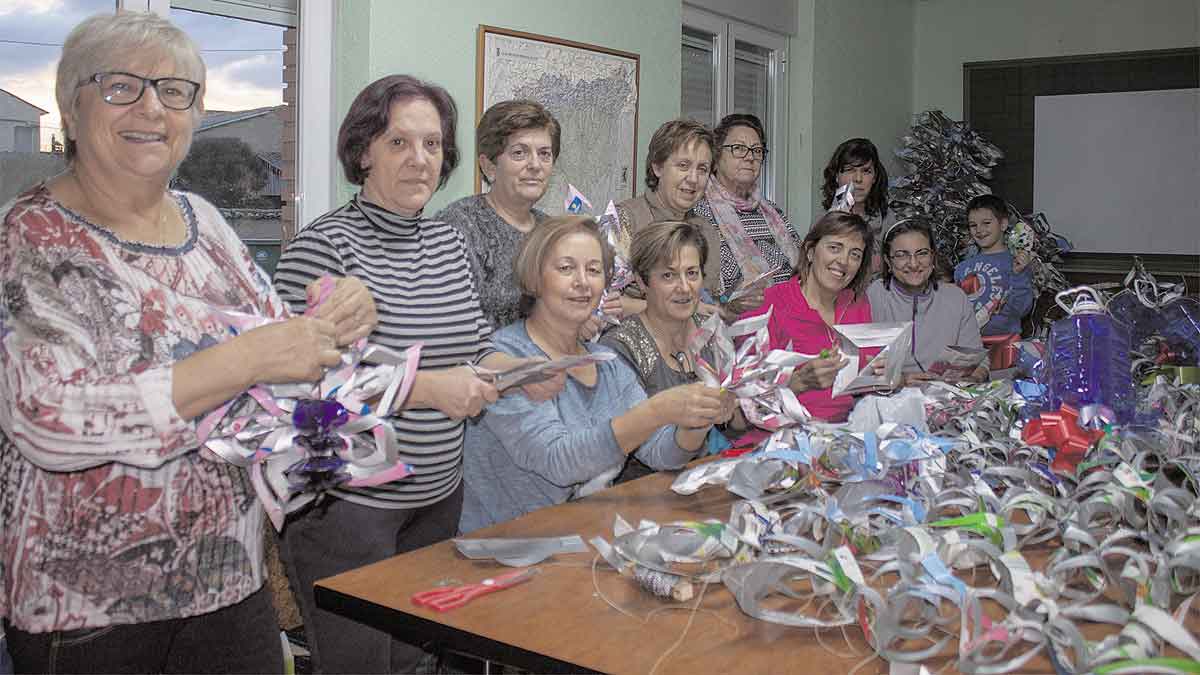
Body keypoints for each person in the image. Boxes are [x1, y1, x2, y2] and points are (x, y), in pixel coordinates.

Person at [0, 12, 377, 674]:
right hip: (88, 613)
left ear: (195, 115)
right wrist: (243, 359)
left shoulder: (205, 221)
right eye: (121, 85)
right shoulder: (28, 235)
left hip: (228, 583)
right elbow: (49, 421)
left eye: (175, 91)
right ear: (72, 104)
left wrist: (334, 321)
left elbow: (280, 363)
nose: (152, 106)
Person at [272, 75, 561, 674]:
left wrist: (517, 370)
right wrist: (430, 389)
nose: (420, 160)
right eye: (399, 143)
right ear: (362, 153)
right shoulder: (323, 247)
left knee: (419, 663)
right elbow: (295, 387)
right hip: (346, 508)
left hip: (435, 498)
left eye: (432, 145)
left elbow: (474, 347)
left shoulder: (447, 243)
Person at [459, 216, 733, 534]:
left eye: (593, 270)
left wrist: (696, 419)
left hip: (581, 540)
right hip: (503, 548)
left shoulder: (606, 363)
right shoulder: (506, 361)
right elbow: (557, 460)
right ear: (534, 278)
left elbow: (661, 453)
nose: (582, 282)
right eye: (566, 269)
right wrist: (657, 411)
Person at [601, 221, 743, 481]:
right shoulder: (619, 349)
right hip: (644, 493)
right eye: (668, 275)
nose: (685, 287)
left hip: (708, 478)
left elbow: (737, 424)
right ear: (642, 282)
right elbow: (656, 454)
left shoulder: (712, 331)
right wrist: (700, 419)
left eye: (692, 273)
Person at [740, 211, 877, 423]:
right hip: (781, 436)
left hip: (844, 431)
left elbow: (868, 376)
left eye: (855, 254)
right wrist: (799, 382)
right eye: (834, 248)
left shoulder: (857, 303)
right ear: (810, 251)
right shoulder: (768, 305)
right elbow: (744, 406)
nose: (844, 261)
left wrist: (884, 374)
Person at [434, 100, 558, 331]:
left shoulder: (551, 230)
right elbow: (457, 324)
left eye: (544, 154)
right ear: (489, 166)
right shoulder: (460, 225)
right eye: (520, 153)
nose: (535, 165)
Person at [694, 113, 798, 321]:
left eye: (757, 150)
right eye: (738, 148)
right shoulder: (698, 214)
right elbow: (687, 292)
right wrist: (728, 303)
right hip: (725, 331)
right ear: (716, 156)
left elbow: (802, 274)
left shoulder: (774, 214)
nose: (750, 157)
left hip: (787, 327)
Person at [614, 119, 722, 314]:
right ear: (657, 168)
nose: (693, 179)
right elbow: (604, 304)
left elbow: (710, 303)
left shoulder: (707, 232)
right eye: (683, 165)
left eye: (702, 169)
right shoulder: (625, 219)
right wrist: (681, 309)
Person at [867, 219, 986, 385]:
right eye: (902, 255)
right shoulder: (873, 296)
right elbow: (860, 368)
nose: (914, 264)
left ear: (933, 256)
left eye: (922, 253)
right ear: (888, 261)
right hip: (889, 400)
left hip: (946, 398)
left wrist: (975, 376)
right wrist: (900, 380)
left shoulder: (956, 298)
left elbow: (976, 358)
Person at [955, 194, 1034, 337]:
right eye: (973, 225)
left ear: (1003, 224)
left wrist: (1019, 274)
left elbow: (1022, 309)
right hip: (969, 344)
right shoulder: (962, 268)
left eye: (986, 223)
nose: (979, 230)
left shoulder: (1016, 263)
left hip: (1005, 344)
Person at [820, 138, 893, 272]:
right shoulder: (823, 221)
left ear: (874, 177)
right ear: (836, 176)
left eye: (866, 171)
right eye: (850, 170)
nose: (858, 179)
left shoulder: (887, 219)